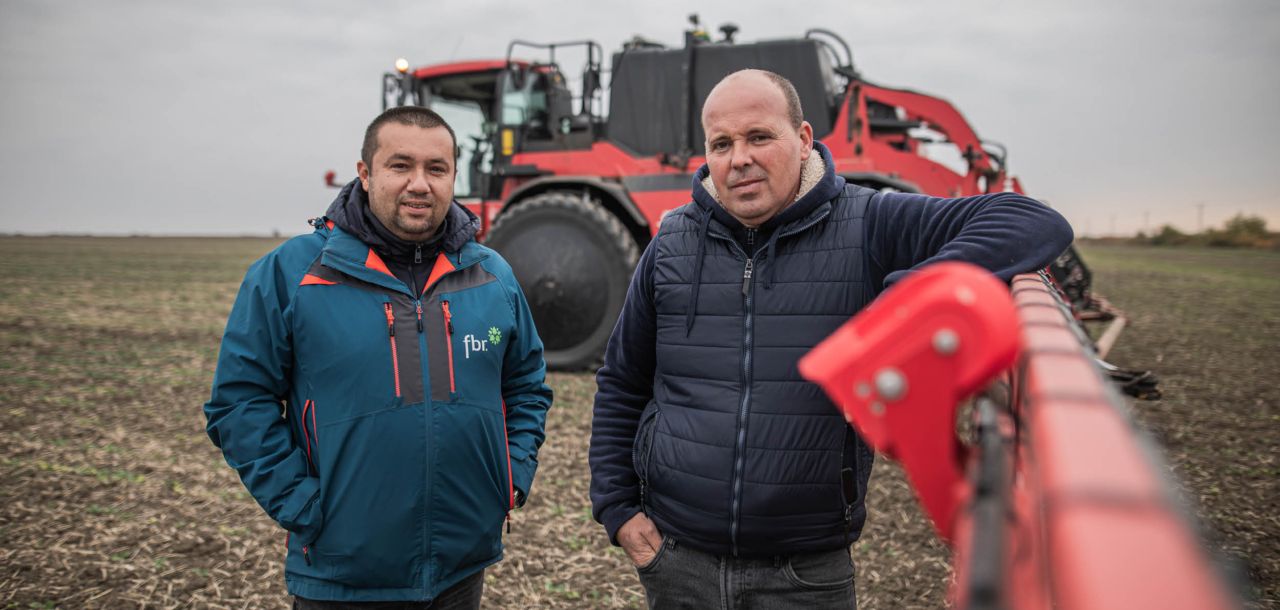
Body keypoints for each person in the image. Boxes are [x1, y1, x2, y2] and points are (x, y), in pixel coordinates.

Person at [589, 69, 1073, 608]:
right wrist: (616, 508)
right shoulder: (673, 242)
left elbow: (1031, 221)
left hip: (803, 575)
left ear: (801, 140)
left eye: (759, 137)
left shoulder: (868, 222)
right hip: (677, 563)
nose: (738, 158)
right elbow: (622, 381)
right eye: (721, 144)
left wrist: (905, 302)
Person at [205, 106, 552, 608]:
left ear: (455, 176)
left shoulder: (492, 275)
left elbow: (526, 386)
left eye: (436, 169)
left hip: (461, 570)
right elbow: (238, 402)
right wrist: (303, 507)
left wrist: (509, 476)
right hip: (342, 575)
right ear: (365, 174)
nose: (420, 184)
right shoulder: (293, 273)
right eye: (399, 166)